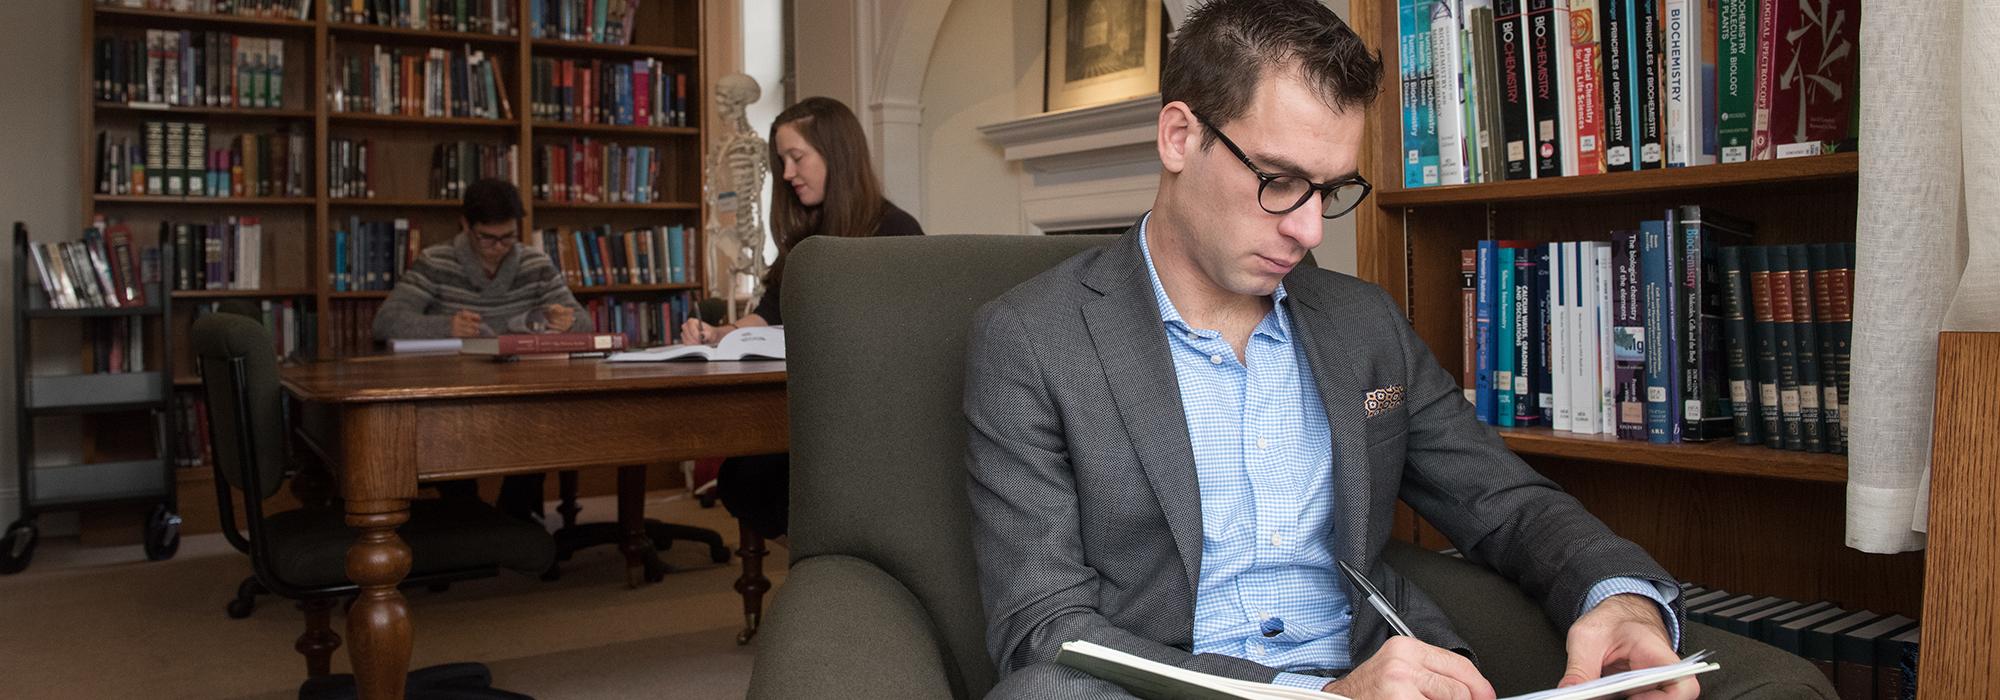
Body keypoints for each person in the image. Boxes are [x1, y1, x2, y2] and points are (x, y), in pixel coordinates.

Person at [962, 2, 1694, 699]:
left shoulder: (1362, 322)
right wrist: (1318, 696)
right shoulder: (1031, 340)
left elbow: (1506, 504)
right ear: (1179, 137)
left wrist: (1621, 597)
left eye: (1331, 189)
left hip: (1380, 673)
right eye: (1280, 182)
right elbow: (1045, 626)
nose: (1311, 231)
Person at [682, 97, 925, 543]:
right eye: (783, 161)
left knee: (764, 478)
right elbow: (768, 314)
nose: (788, 173)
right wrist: (720, 334)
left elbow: (910, 340)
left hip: (871, 415)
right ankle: (828, 562)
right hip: (811, 403)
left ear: (838, 155)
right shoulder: (806, 236)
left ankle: (837, 563)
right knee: (742, 473)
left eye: (797, 158)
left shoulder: (896, 232)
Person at [373, 178, 591, 520]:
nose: (499, 246)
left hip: (523, 395)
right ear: (466, 225)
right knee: (449, 448)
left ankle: (512, 519)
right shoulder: (437, 262)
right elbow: (386, 321)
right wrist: (445, 326)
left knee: (543, 426)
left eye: (508, 237)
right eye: (488, 237)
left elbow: (583, 323)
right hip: (453, 397)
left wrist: (565, 321)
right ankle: (468, 521)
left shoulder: (534, 264)